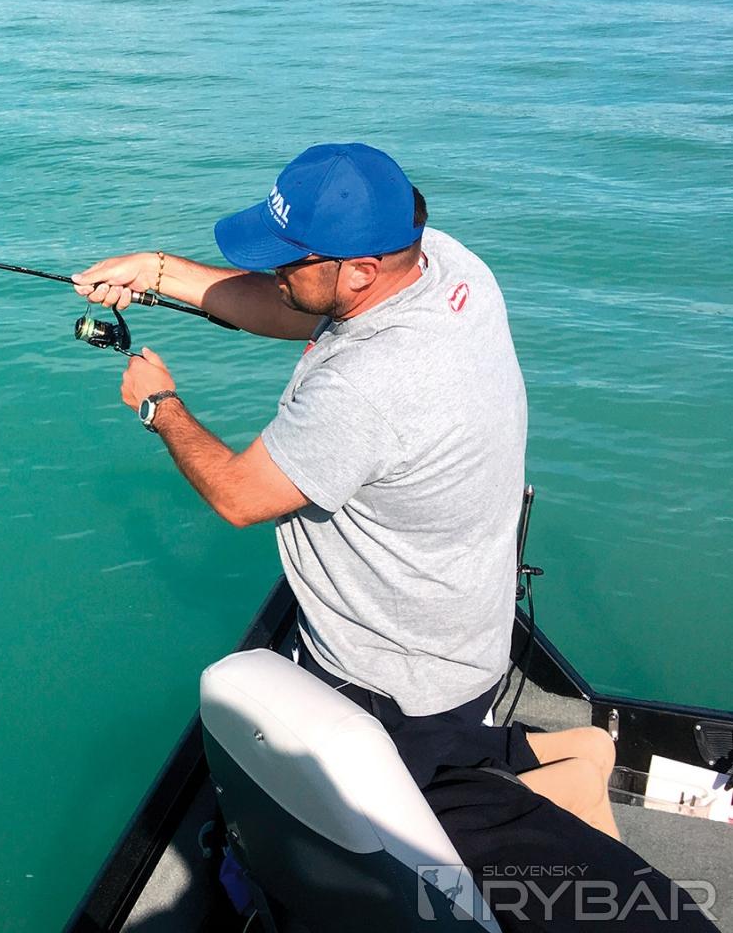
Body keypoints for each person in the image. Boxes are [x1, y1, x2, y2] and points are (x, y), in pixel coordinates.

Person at [72, 143, 619, 838]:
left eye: (289, 259)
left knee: (379, 840)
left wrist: (161, 406)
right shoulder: (445, 263)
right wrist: (157, 271)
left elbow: (240, 496)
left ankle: (553, 784)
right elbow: (291, 307)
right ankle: (562, 754)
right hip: (466, 629)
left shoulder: (368, 386)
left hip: (396, 678)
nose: (274, 271)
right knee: (448, 755)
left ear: (360, 269)